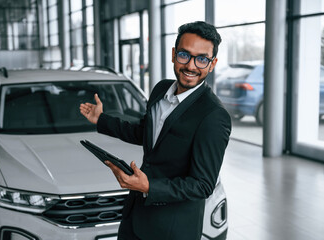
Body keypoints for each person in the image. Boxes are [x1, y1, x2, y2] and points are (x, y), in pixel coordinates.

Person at [80, 21, 231, 240]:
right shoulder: (161, 89)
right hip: (135, 216)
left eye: (201, 59)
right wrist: (101, 120)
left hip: (171, 228)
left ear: (212, 63)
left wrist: (149, 185)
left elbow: (202, 185)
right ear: (173, 54)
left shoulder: (214, 116)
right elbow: (146, 133)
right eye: (184, 55)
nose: (190, 66)